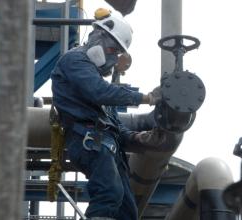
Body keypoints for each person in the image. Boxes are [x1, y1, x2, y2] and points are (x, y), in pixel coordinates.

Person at [51, 8, 164, 220]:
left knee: (127, 210)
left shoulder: (97, 79)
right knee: (109, 192)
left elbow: (113, 124)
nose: (113, 58)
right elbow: (99, 92)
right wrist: (146, 98)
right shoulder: (74, 61)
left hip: (106, 144)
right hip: (87, 139)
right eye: (112, 50)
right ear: (97, 36)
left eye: (117, 53)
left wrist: (135, 137)